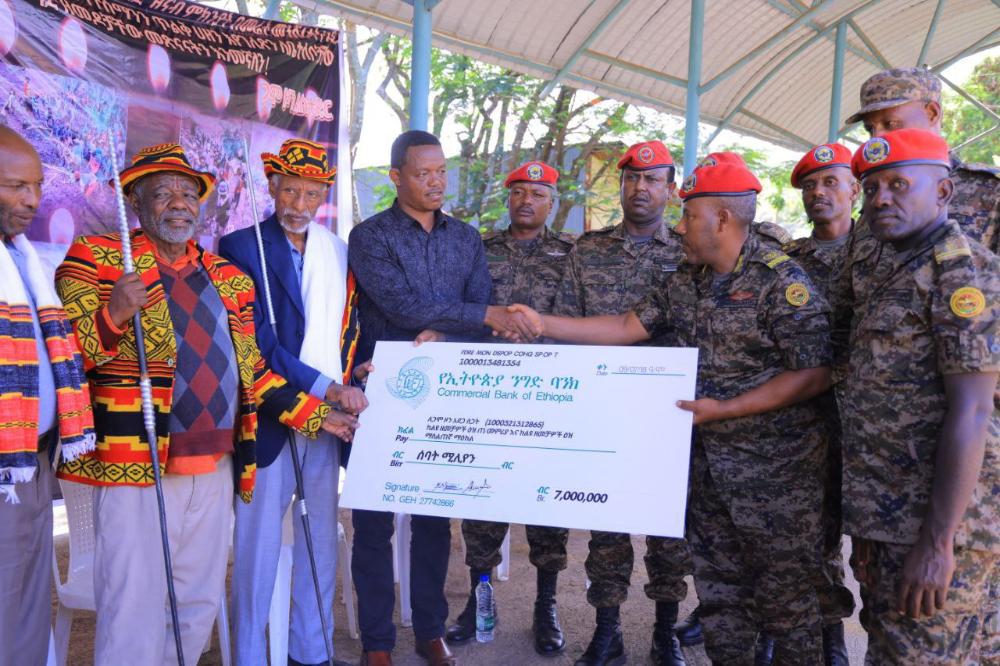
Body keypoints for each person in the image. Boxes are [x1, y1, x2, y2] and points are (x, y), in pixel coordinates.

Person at [509, 154, 833, 664]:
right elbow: (624, 327)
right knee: (721, 599)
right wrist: (540, 322)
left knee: (787, 606)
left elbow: (813, 372)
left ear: (721, 219)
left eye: (689, 215)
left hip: (773, 480)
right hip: (703, 470)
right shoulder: (686, 280)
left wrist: (725, 409)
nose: (679, 226)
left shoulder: (781, 282)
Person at [54, 143, 358, 665]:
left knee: (196, 604)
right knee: (133, 607)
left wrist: (320, 416)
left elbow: (254, 372)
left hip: (216, 465)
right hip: (136, 464)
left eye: (188, 193)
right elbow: (67, 359)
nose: (179, 203)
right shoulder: (95, 259)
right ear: (136, 202)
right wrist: (114, 314)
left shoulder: (227, 276)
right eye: (162, 193)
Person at [348, 130, 531, 666]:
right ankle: (377, 643)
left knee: (432, 522)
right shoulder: (370, 236)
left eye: (441, 171)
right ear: (396, 177)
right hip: (379, 392)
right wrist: (477, 317)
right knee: (375, 525)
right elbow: (402, 306)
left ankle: (430, 631)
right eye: (423, 173)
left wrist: (450, 332)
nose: (435, 182)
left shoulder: (466, 239)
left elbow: (477, 302)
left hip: (445, 397)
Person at [840, 128, 999, 664]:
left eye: (899, 184)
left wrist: (937, 544)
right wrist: (868, 527)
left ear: (944, 192)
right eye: (871, 188)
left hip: (937, 529)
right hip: (891, 518)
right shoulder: (896, 267)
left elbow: (973, 411)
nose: (880, 199)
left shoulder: (962, 272)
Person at [218, 138, 366, 666]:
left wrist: (355, 374)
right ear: (272, 188)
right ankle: (250, 656)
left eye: (311, 194)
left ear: (324, 195)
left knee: (318, 541)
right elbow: (260, 347)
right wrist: (326, 389)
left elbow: (348, 333)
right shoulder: (241, 247)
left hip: (330, 424)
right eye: (289, 192)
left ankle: (312, 651)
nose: (299, 205)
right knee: (257, 549)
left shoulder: (337, 252)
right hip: (268, 419)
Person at [552, 140, 692, 666]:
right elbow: (565, 328)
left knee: (667, 532)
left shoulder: (689, 251)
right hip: (603, 410)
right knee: (606, 527)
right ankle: (607, 632)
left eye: (653, 179)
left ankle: (665, 632)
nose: (641, 188)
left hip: (669, 415)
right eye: (632, 178)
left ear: (670, 190)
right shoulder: (587, 251)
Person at [444, 160, 574, 656]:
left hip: (548, 394)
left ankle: (546, 606)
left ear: (551, 203)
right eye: (519, 192)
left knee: (547, 508)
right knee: (482, 503)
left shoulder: (571, 254)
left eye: (538, 194)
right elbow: (463, 308)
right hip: (489, 393)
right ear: (508, 198)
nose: (527, 201)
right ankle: (480, 602)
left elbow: (578, 314)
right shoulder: (479, 249)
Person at [0, 125, 95, 666]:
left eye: (36, 185)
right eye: (17, 186)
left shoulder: (21, 257)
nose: (32, 199)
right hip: (5, 469)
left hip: (32, 462)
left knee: (29, 603)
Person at [783, 143, 859, 665]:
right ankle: (829, 638)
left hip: (870, 418)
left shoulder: (882, 253)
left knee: (873, 538)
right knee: (809, 533)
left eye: (831, 181)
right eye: (810, 185)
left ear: (855, 188)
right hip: (804, 417)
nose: (819, 193)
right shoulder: (788, 262)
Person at [846, 66, 999, 254]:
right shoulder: (875, 204)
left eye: (890, 123)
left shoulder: (990, 192)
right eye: (870, 129)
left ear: (932, 113)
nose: (877, 138)